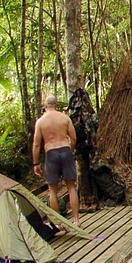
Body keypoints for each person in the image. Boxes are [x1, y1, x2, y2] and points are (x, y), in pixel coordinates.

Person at [32, 93, 80, 226]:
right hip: (65, 150)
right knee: (71, 186)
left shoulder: (41, 122)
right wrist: (69, 150)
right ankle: (76, 220)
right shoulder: (64, 118)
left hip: (51, 153)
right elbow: (74, 137)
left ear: (45, 106)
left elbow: (36, 144)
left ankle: (58, 223)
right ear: (56, 105)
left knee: (52, 190)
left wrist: (35, 163)